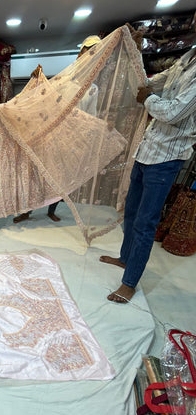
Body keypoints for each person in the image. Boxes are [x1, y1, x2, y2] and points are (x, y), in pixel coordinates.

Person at [100, 38, 196, 303]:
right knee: (131, 212)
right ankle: (124, 259)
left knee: (145, 223)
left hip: (167, 157)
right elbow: (149, 81)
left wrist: (149, 98)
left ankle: (129, 283)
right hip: (148, 150)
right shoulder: (185, 60)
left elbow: (175, 112)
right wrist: (132, 52)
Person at [13, 35, 102, 224]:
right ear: (80, 54)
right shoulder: (64, 80)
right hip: (51, 136)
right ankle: (27, 211)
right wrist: (36, 80)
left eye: (94, 54)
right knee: (37, 176)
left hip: (72, 141)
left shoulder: (93, 89)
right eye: (87, 52)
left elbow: (92, 116)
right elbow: (43, 96)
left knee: (62, 178)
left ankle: (51, 209)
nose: (88, 58)